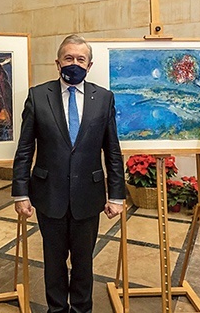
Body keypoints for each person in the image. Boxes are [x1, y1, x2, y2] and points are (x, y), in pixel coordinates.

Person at [12, 34, 125, 313]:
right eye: (68, 58)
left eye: (80, 59)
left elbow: (112, 150)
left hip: (89, 194)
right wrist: (20, 192)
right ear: (57, 62)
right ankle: (57, 309)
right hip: (49, 194)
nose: (74, 63)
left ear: (89, 65)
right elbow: (25, 148)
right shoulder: (38, 96)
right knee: (53, 261)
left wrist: (117, 196)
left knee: (84, 262)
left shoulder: (104, 98)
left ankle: (82, 309)